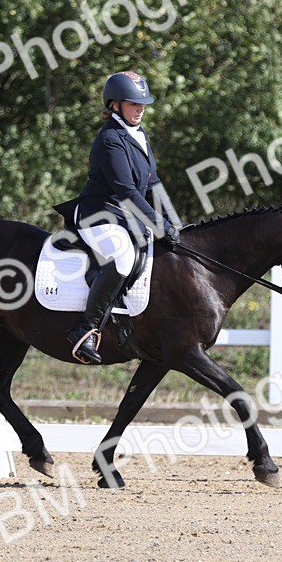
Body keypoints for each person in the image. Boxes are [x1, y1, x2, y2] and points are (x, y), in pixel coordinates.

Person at [64, 71, 180, 364]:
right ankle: (87, 329)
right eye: (133, 104)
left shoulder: (138, 135)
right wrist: (157, 224)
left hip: (124, 216)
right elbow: (127, 190)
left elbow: (152, 183)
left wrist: (173, 221)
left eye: (143, 104)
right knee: (122, 259)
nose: (140, 109)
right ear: (114, 105)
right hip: (98, 215)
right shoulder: (110, 140)